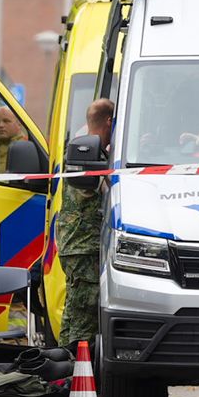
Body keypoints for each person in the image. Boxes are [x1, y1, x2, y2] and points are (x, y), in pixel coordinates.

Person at [55, 98, 114, 350]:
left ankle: (62, 371)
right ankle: (78, 378)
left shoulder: (81, 147)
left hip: (76, 245)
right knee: (84, 321)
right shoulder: (89, 154)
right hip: (84, 247)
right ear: (110, 122)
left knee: (73, 315)